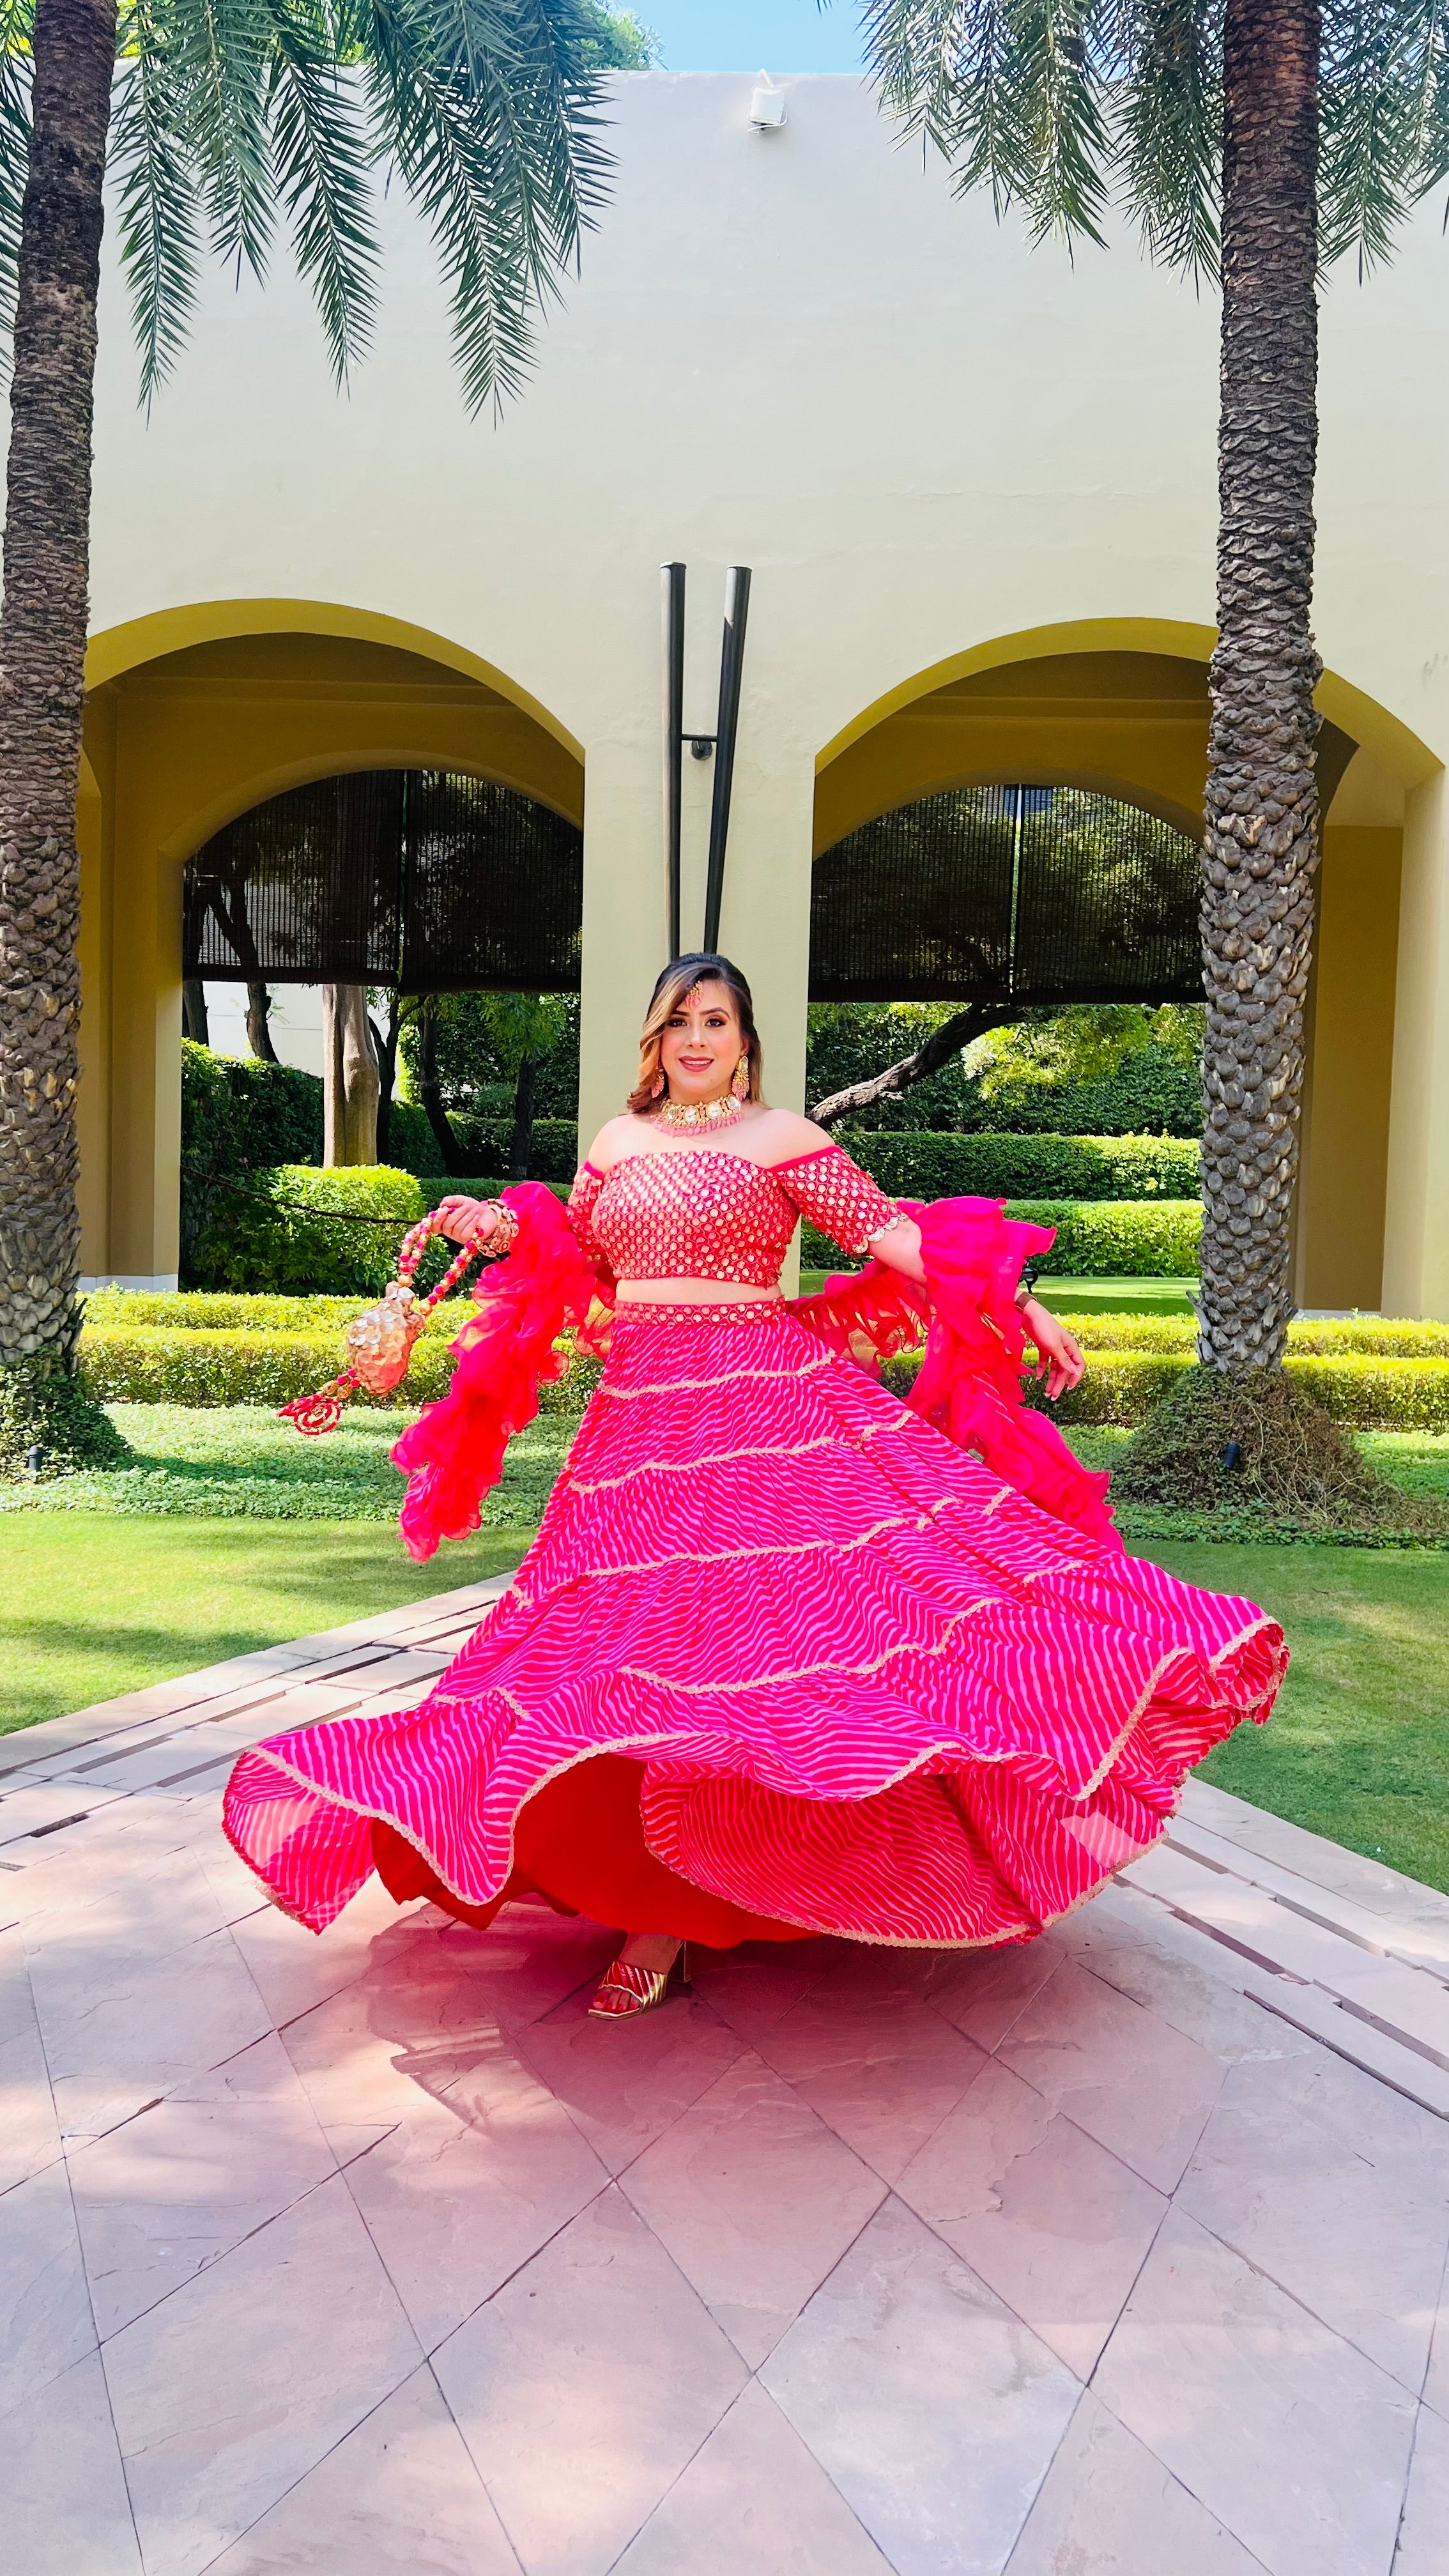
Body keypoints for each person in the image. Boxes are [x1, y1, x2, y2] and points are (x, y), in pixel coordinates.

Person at [224, 954, 1285, 2018]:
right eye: (679, 1020)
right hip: (639, 1427)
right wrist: (495, 1228)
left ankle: (674, 1919)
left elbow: (896, 1239)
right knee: (623, 1658)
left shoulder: (782, 1138)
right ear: (656, 1038)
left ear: (744, 1041)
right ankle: (647, 1889)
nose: (697, 1038)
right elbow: (588, 1261)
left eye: (717, 1020)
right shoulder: (617, 1142)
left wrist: (1024, 1305)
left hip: (764, 1414)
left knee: (757, 1654)